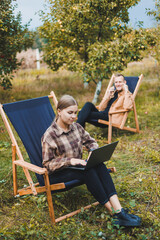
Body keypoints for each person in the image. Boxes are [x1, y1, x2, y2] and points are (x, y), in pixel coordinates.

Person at [41, 95, 141, 227]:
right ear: (59, 111)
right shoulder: (50, 135)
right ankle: (114, 213)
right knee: (87, 171)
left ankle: (119, 211)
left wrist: (93, 151)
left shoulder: (76, 127)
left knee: (98, 163)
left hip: (77, 167)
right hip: (58, 174)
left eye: (75, 113)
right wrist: (71, 161)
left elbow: (91, 141)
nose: (73, 116)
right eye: (69, 112)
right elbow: (48, 165)